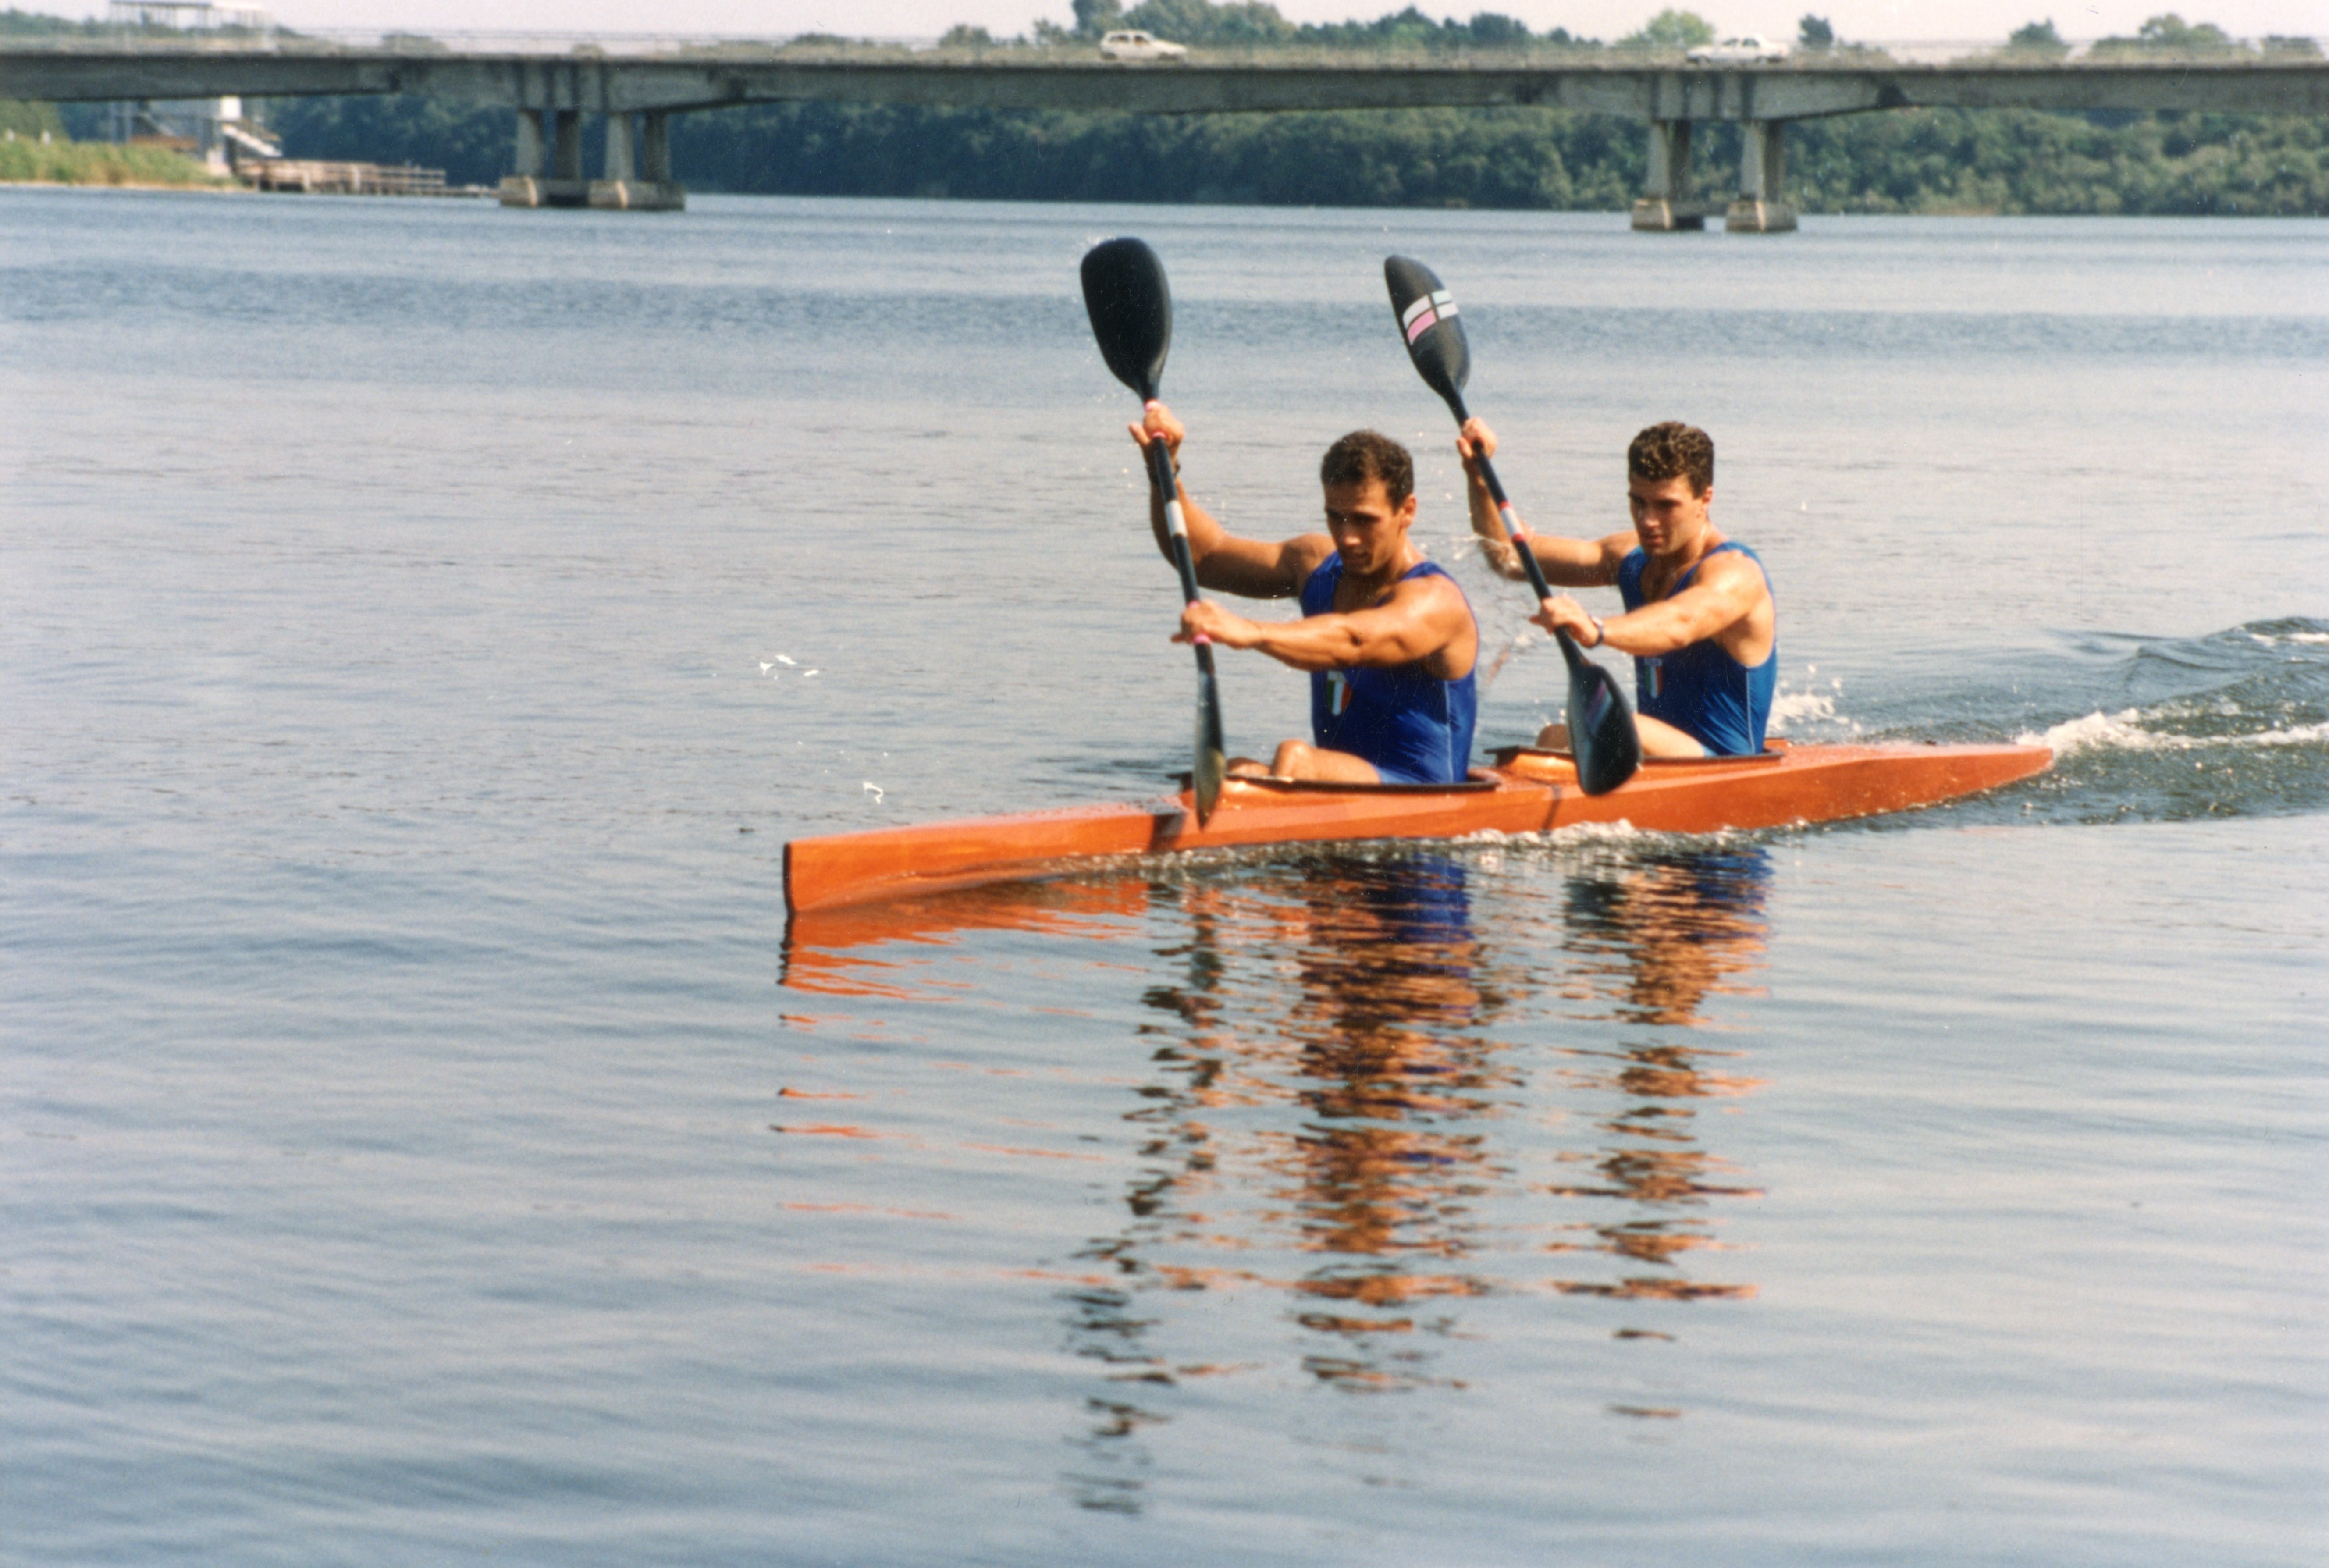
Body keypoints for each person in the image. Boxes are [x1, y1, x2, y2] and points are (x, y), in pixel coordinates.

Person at [1129, 401, 1479, 785]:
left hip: (1427, 794)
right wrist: (1163, 470)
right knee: (1234, 772)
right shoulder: (1315, 565)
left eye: (1364, 520)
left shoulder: (1435, 601)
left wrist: (1251, 631)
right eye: (1335, 517)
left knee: (1294, 759)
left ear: (1407, 511)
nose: (1347, 537)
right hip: (1341, 785)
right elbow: (1204, 556)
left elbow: (1353, 640)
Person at [1459, 418, 1777, 759]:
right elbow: (1513, 558)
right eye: (1638, 501)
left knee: (1612, 724)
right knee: (1553, 737)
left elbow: (1681, 623)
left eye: (1665, 505)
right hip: (1656, 755)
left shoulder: (1735, 573)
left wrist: (1596, 629)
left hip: (1727, 762)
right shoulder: (1629, 558)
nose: (1647, 520)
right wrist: (1479, 477)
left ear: (1705, 499)